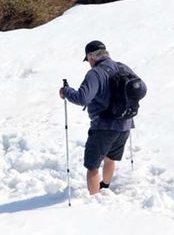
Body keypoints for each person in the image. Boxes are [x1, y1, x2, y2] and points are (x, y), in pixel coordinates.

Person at [60, 40, 143, 195]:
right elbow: (141, 88)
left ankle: (95, 202)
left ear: (91, 57)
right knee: (110, 157)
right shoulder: (122, 67)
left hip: (104, 126)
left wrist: (66, 91)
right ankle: (105, 186)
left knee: (92, 167)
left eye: (88, 60)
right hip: (125, 124)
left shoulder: (95, 73)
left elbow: (82, 98)